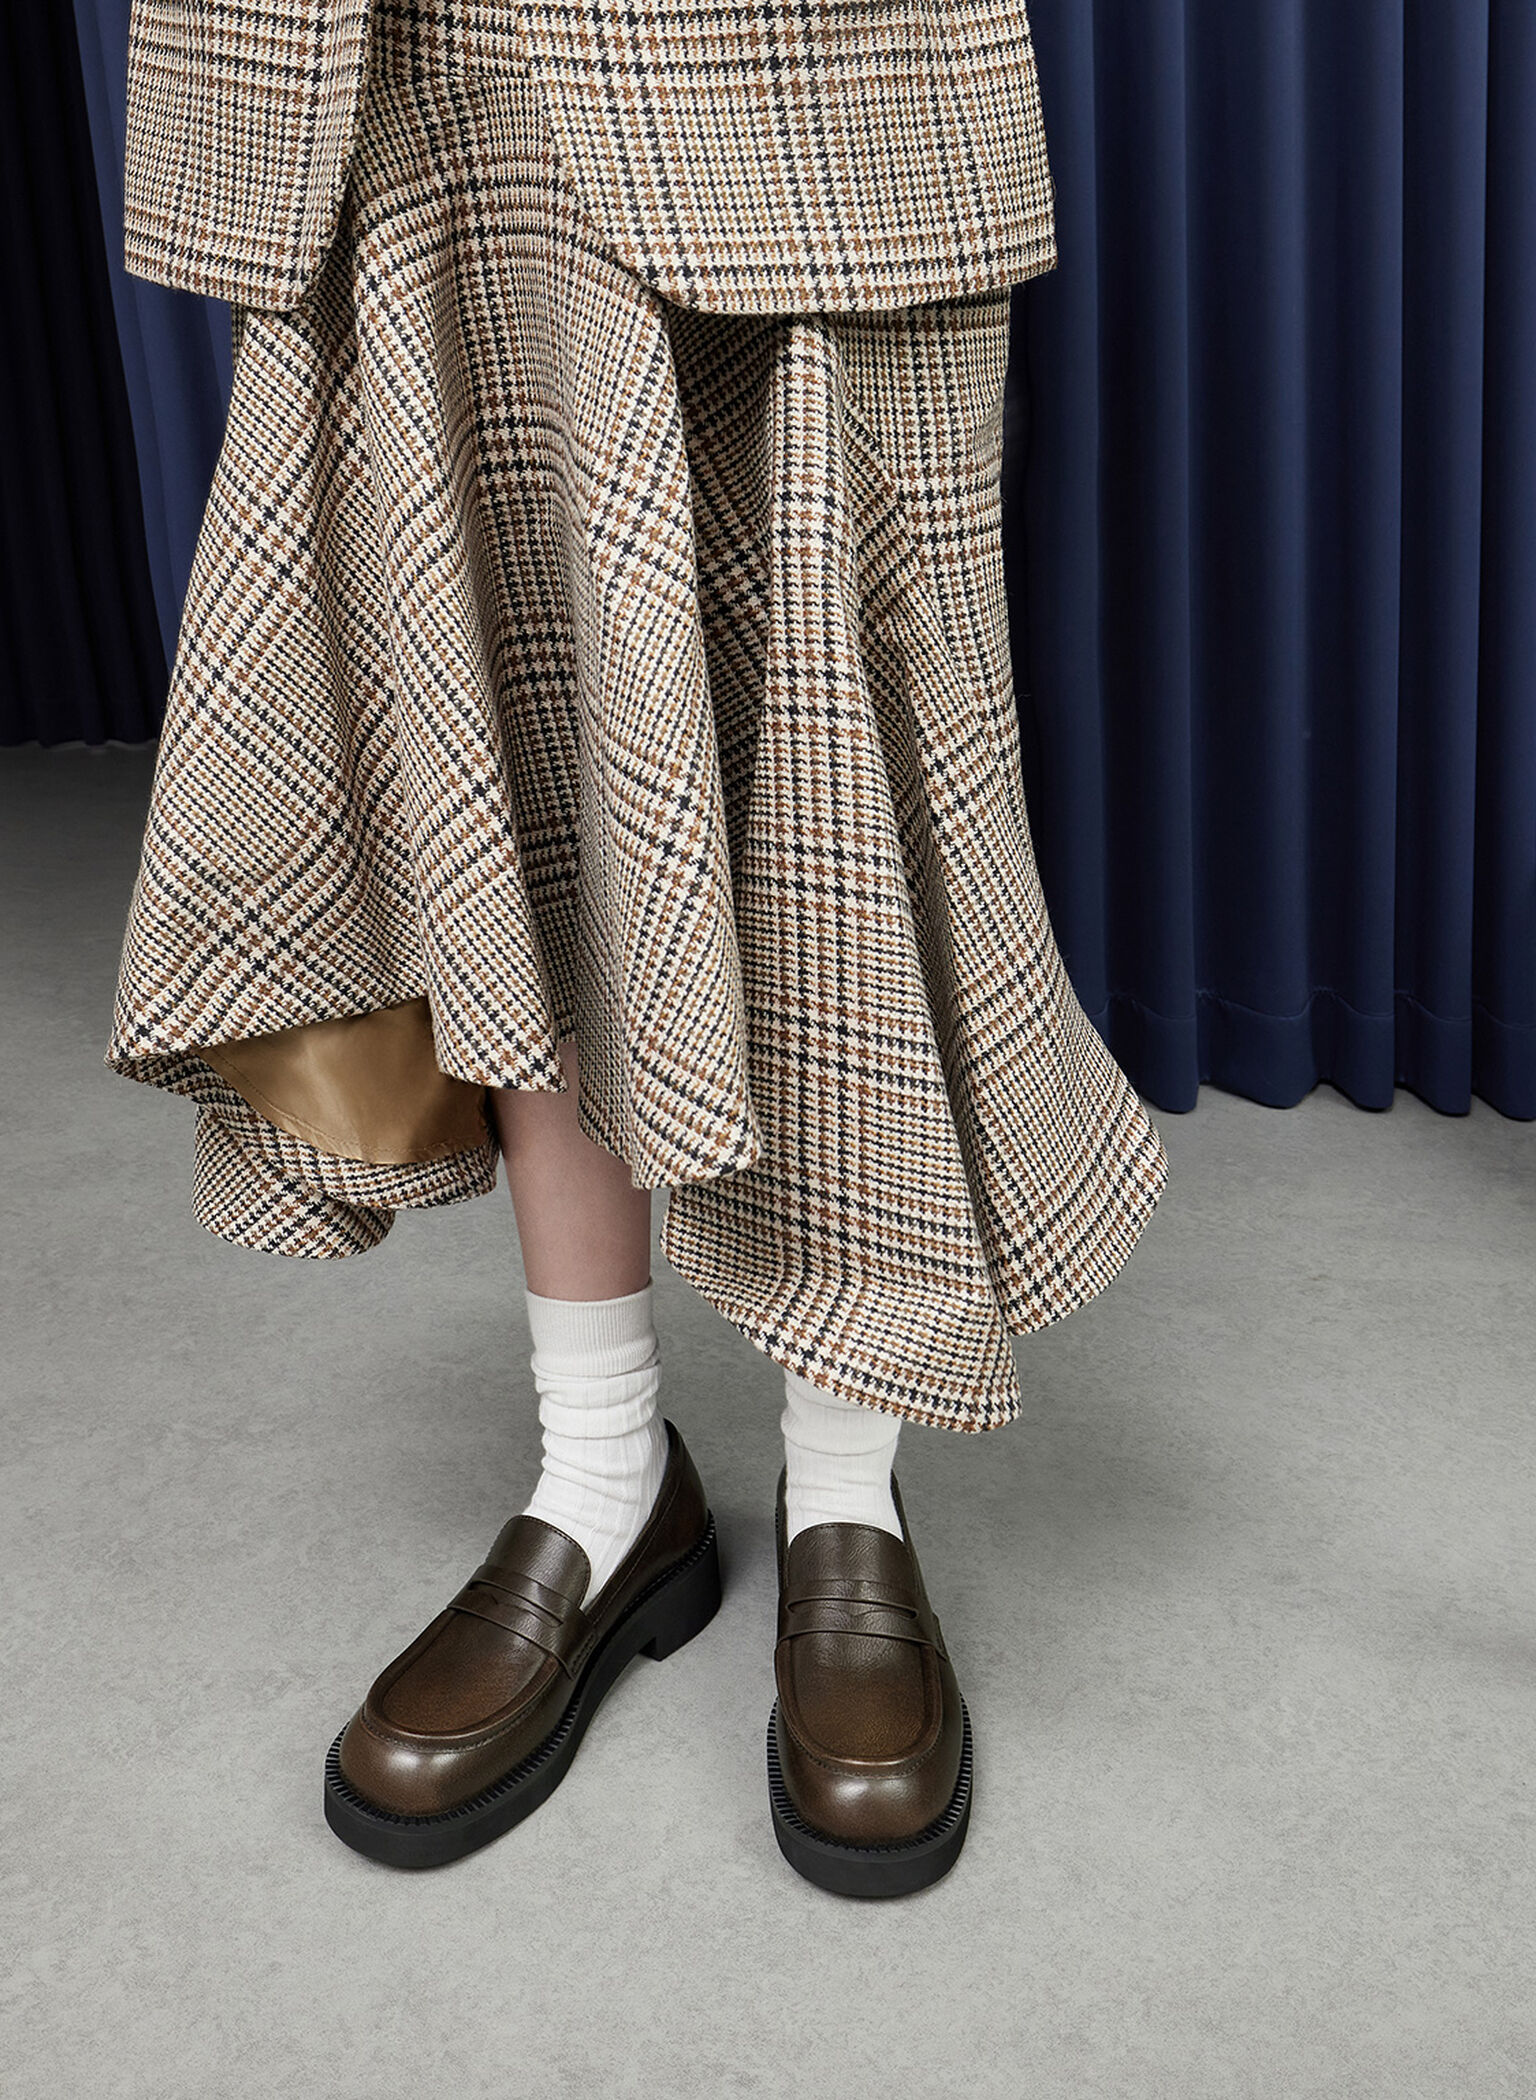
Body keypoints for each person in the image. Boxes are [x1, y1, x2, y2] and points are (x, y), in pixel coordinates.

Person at [107, 0, 1169, 1897]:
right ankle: (607, 1477)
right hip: (429, 60)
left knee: (841, 779)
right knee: (512, 766)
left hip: (816, 73)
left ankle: (848, 1488)